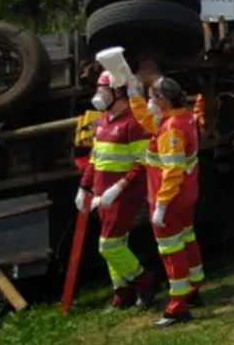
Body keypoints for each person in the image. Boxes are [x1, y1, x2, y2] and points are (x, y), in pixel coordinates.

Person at [75, 70, 156, 310]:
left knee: (107, 246)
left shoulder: (134, 123)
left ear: (119, 93)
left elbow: (142, 162)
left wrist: (118, 188)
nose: (98, 95)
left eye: (103, 90)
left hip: (124, 194)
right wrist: (84, 187)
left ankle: (144, 281)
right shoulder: (101, 122)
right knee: (117, 244)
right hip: (101, 193)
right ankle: (122, 295)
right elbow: (94, 158)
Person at [127, 75, 204, 327]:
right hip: (185, 197)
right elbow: (148, 121)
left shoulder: (170, 130)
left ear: (163, 100)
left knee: (171, 251)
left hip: (169, 200)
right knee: (188, 240)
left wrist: (160, 206)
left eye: (151, 98)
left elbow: (172, 171)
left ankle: (177, 307)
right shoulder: (182, 117)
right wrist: (134, 95)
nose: (149, 102)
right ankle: (193, 290)